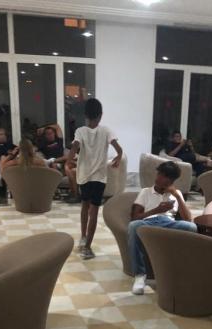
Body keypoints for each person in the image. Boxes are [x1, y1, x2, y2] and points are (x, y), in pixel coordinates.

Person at [128, 161, 198, 295]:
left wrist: (177, 196)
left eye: (164, 176)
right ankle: (140, 275)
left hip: (168, 224)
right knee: (133, 226)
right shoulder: (145, 192)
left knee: (192, 227)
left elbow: (188, 219)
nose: (159, 178)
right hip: (149, 223)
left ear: (171, 180)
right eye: (159, 174)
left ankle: (183, 271)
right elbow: (134, 217)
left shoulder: (176, 193)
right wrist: (156, 210)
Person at [66, 98, 123, 260]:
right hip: (99, 177)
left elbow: (74, 147)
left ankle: (83, 237)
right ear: (101, 115)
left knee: (85, 206)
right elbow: (119, 149)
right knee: (94, 211)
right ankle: (87, 248)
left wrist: (68, 161)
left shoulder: (80, 131)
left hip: (84, 176)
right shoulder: (106, 131)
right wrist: (118, 157)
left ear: (85, 115)